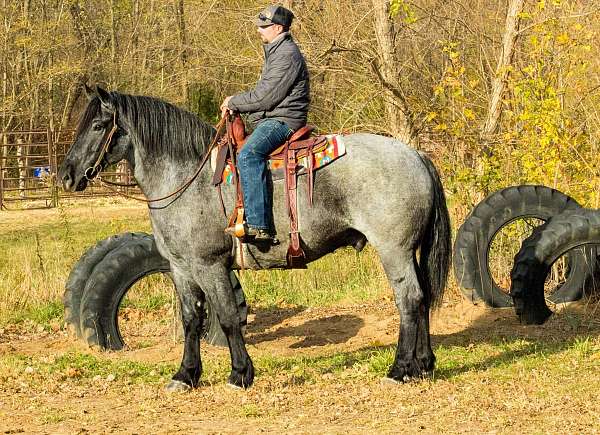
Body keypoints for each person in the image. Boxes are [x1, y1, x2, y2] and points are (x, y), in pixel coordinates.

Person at [221, 4, 310, 243]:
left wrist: (234, 101)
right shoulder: (276, 51)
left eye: (264, 26)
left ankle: (260, 226)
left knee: (249, 154)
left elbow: (265, 96)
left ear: (278, 28)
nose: (259, 30)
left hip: (283, 120)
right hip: (274, 117)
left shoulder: (286, 54)